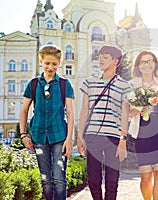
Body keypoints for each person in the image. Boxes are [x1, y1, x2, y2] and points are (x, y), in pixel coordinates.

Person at [19, 44, 75, 200]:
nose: (51, 67)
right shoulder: (33, 84)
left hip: (59, 137)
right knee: (46, 180)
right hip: (38, 137)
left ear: (59, 64)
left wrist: (69, 139)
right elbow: (24, 110)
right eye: (47, 63)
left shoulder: (65, 84)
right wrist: (23, 134)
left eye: (54, 64)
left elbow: (70, 113)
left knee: (59, 179)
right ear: (41, 62)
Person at [77, 44, 130, 200]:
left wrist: (123, 141)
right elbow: (84, 111)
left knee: (112, 180)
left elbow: (124, 116)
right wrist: (80, 136)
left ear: (115, 62)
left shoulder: (124, 86)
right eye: (100, 57)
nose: (100, 60)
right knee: (93, 179)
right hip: (93, 136)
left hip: (114, 137)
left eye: (105, 57)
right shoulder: (89, 82)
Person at [128, 50, 158, 200]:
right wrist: (138, 108)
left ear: (155, 64)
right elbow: (128, 113)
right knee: (146, 176)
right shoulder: (132, 85)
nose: (146, 65)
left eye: (149, 61)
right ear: (138, 65)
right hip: (143, 130)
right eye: (143, 62)